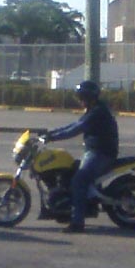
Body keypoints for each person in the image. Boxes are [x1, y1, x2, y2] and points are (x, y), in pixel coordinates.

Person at [42, 80, 119, 233]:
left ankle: (77, 222)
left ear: (89, 97)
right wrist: (50, 133)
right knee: (70, 171)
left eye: (82, 97)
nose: (80, 100)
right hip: (95, 152)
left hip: (101, 154)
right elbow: (73, 125)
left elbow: (76, 130)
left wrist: (52, 138)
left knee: (79, 180)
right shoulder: (93, 109)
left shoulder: (97, 112)